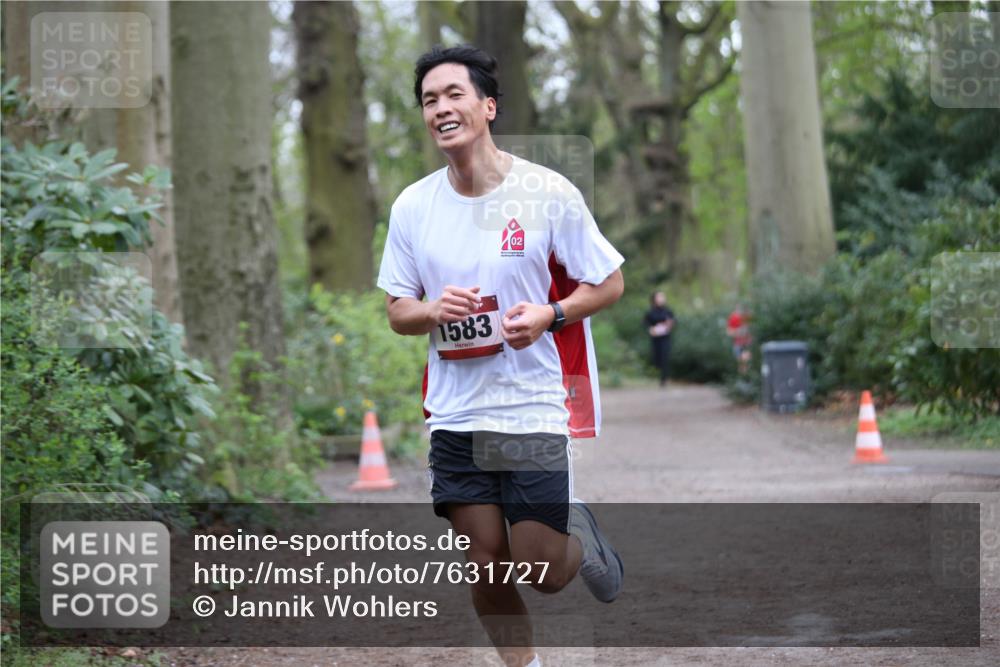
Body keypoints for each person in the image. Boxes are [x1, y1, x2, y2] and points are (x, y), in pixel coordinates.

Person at [376, 45, 626, 667]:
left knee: (542, 571)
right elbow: (398, 311)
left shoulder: (546, 193)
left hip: (530, 407)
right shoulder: (413, 207)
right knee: (484, 563)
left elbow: (608, 282)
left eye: (453, 94)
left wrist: (550, 314)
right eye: (429, 100)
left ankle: (581, 538)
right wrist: (432, 310)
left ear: (488, 107)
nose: (440, 108)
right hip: (457, 413)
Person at [644, 291, 675, 387]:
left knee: (665, 356)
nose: (661, 299)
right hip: (655, 339)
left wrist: (669, 324)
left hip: (665, 338)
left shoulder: (668, 311)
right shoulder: (650, 312)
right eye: (659, 297)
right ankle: (657, 374)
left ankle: (664, 379)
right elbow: (646, 323)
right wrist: (651, 329)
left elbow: (672, 321)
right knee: (657, 358)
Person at [727, 303, 752, 374]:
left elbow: (751, 326)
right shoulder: (733, 317)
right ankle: (743, 372)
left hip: (747, 342)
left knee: (745, 357)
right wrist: (738, 331)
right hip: (738, 343)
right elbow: (729, 331)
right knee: (740, 357)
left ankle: (746, 371)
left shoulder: (747, 316)